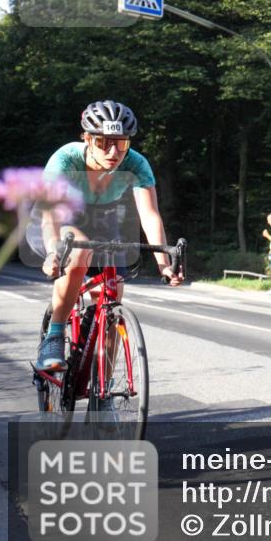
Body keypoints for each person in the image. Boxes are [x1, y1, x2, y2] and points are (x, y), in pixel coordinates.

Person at [31, 100, 184, 374]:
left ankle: (103, 391)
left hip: (103, 220)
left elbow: (149, 215)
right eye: (103, 142)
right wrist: (54, 252)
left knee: (112, 300)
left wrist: (164, 264)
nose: (114, 152)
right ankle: (54, 336)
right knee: (77, 253)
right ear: (87, 139)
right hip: (60, 218)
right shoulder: (65, 159)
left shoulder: (137, 164)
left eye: (121, 143)